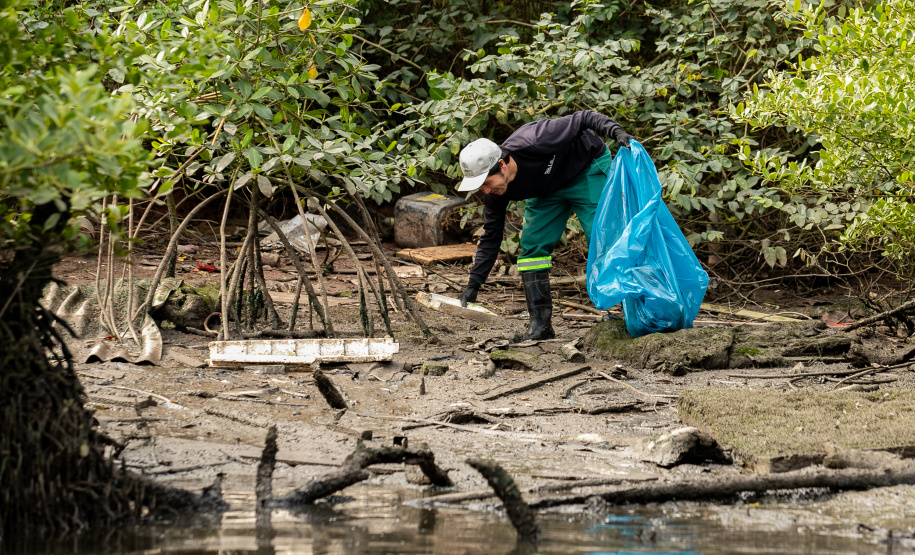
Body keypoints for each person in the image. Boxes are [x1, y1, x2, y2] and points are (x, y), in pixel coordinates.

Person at [456, 110, 633, 341]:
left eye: (488, 183)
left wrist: (616, 131)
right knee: (532, 246)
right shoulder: (495, 192)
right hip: (546, 190)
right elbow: (491, 237)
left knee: (605, 240)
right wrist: (474, 285)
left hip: (585, 168)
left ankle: (633, 316)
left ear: (502, 164)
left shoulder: (536, 139)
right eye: (481, 187)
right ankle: (540, 326)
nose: (487, 191)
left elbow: (585, 118)